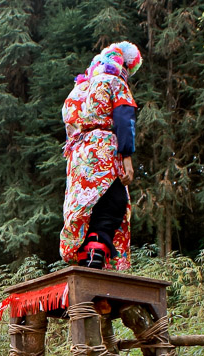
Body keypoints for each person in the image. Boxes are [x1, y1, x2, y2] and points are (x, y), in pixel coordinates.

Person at [59, 42, 142, 270]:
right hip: (103, 150)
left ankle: (88, 255)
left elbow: (69, 126)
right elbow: (125, 118)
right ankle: (96, 253)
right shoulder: (113, 82)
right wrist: (126, 157)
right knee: (114, 201)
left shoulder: (78, 90)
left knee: (87, 207)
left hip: (77, 156)